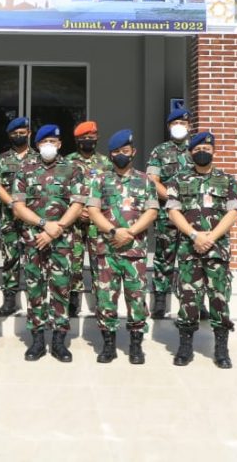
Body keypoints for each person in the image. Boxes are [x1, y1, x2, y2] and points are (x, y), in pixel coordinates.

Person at [11, 124, 91, 362]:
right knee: (35, 289)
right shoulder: (25, 169)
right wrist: (45, 224)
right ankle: (36, 340)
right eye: (44, 142)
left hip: (62, 241)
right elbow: (17, 207)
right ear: (37, 145)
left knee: (60, 289)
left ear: (60, 144)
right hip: (33, 239)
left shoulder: (73, 169)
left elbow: (78, 203)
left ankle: (58, 341)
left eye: (53, 142)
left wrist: (58, 229)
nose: (49, 146)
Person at [165, 131, 237, 368]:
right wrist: (194, 235)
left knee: (219, 299)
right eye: (198, 149)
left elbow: (233, 211)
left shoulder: (227, 180)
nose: (202, 152)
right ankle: (185, 347)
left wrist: (212, 237)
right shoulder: (179, 180)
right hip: (189, 250)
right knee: (188, 300)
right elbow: (173, 211)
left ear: (213, 151)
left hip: (217, 251)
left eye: (207, 149)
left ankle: (221, 349)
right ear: (190, 152)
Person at [86, 129, 159, 365]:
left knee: (136, 298)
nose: (121, 155)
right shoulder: (100, 180)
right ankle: (108, 346)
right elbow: (93, 210)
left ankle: (136, 346)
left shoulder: (145, 180)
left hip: (134, 251)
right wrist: (113, 231)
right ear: (110, 155)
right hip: (106, 250)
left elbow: (152, 210)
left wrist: (131, 232)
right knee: (106, 299)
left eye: (125, 151)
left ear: (133, 152)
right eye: (116, 152)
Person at [147, 106, 193, 319]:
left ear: (189, 126)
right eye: (176, 123)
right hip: (167, 214)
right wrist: (173, 200)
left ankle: (193, 302)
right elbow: (152, 180)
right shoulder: (160, 151)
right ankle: (159, 301)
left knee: (191, 258)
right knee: (164, 257)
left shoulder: (197, 148)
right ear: (169, 126)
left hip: (193, 215)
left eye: (183, 123)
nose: (179, 127)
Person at [65, 121, 113, 318]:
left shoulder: (106, 163)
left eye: (91, 137)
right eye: (84, 138)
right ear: (77, 140)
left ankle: (100, 301)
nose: (88, 141)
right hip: (74, 222)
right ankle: (73, 299)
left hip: (97, 222)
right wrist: (77, 210)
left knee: (99, 261)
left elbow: (110, 191)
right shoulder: (67, 162)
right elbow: (62, 189)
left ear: (97, 138)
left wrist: (94, 211)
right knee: (73, 261)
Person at [0, 117, 31, 317]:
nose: (19, 136)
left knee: (35, 258)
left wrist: (26, 209)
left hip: (33, 218)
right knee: (10, 258)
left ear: (29, 134)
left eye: (22, 132)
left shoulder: (38, 157)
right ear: (9, 136)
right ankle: (9, 299)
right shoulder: (1, 160)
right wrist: (13, 204)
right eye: (15, 133)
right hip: (10, 217)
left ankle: (37, 299)